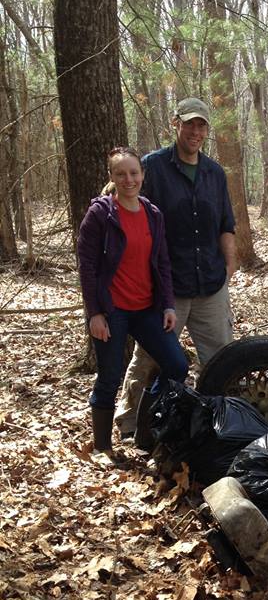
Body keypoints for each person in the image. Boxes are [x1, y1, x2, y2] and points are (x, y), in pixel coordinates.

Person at [114, 97, 236, 436]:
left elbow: (226, 224)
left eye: (201, 125)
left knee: (220, 359)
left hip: (210, 283)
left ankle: (218, 422)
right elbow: (125, 211)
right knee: (150, 357)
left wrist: (229, 266)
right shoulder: (151, 168)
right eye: (189, 124)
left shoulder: (214, 173)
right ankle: (128, 422)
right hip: (167, 287)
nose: (195, 131)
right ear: (176, 124)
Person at [77, 147, 188, 453]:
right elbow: (87, 266)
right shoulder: (100, 214)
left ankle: (145, 426)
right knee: (110, 377)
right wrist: (94, 314)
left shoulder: (153, 214)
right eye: (121, 174)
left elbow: (162, 262)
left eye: (134, 173)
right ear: (111, 177)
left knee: (176, 365)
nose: (129, 180)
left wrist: (167, 303)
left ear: (143, 174)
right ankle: (102, 448)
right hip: (112, 310)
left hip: (146, 309)